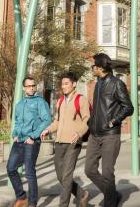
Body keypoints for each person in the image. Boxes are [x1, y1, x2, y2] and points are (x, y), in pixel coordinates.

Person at [85, 53, 134, 207]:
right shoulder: (98, 83)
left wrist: (114, 121)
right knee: (89, 170)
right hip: (94, 134)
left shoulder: (116, 83)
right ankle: (112, 194)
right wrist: (91, 121)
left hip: (110, 135)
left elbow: (128, 107)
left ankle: (110, 203)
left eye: (93, 65)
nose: (92, 68)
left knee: (107, 172)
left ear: (100, 68)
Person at [41, 72, 91, 207]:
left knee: (67, 176)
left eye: (66, 83)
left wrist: (79, 133)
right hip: (59, 142)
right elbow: (57, 121)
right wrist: (48, 129)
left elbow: (86, 120)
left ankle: (63, 205)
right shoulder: (61, 101)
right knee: (60, 176)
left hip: (73, 142)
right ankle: (82, 194)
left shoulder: (81, 100)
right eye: (62, 84)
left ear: (74, 84)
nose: (63, 86)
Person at [7, 76, 52, 207]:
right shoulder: (19, 104)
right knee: (10, 168)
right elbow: (17, 122)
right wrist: (15, 134)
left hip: (32, 141)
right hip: (19, 141)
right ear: (23, 88)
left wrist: (33, 136)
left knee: (29, 172)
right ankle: (21, 197)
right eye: (28, 86)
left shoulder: (40, 102)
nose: (31, 88)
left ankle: (32, 203)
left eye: (33, 85)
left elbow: (46, 120)